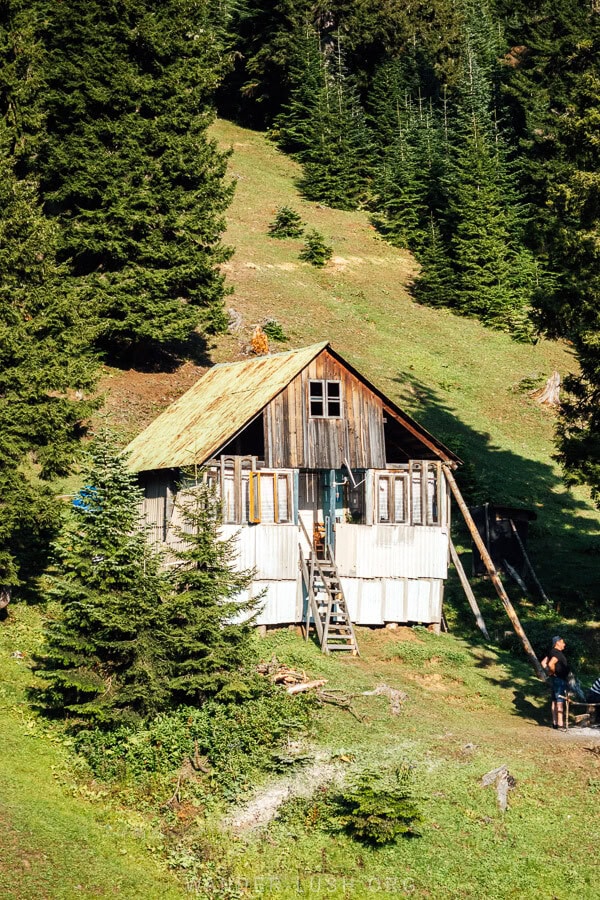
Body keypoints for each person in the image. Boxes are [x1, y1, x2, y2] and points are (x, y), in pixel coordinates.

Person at [546, 636, 569, 730]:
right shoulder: (557, 653)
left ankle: (554, 723)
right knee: (560, 701)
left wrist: (550, 673)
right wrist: (552, 672)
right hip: (559, 680)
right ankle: (560, 724)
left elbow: (543, 663)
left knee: (554, 701)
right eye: (563, 642)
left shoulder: (552, 652)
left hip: (556, 679)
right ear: (558, 643)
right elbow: (550, 664)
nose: (564, 644)